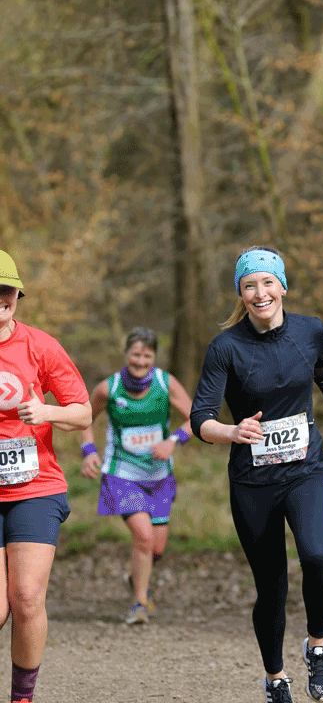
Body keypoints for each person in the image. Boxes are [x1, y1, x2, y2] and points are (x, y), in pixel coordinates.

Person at [190, 246, 323, 703]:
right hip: (253, 483)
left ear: (282, 286)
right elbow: (199, 417)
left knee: (317, 556)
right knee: (271, 587)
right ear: (241, 295)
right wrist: (231, 429)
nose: (260, 293)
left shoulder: (310, 330)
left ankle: (318, 648)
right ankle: (275, 678)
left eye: (267, 282)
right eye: (249, 285)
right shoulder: (226, 347)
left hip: (307, 470)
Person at [0, 249, 92, 703]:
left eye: (6, 291)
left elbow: (83, 411)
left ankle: (22, 698)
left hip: (36, 487)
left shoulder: (41, 345)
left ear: (17, 294)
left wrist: (47, 410)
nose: (0, 300)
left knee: (28, 598)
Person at [80, 326, 192, 624]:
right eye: (135, 355)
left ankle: (135, 576)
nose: (140, 362)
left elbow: (197, 417)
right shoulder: (109, 388)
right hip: (121, 474)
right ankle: (140, 604)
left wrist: (174, 440)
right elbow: (83, 418)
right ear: (126, 354)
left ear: (154, 356)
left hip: (159, 477)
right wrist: (88, 450)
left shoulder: (166, 384)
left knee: (155, 547)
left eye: (147, 355)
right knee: (142, 537)